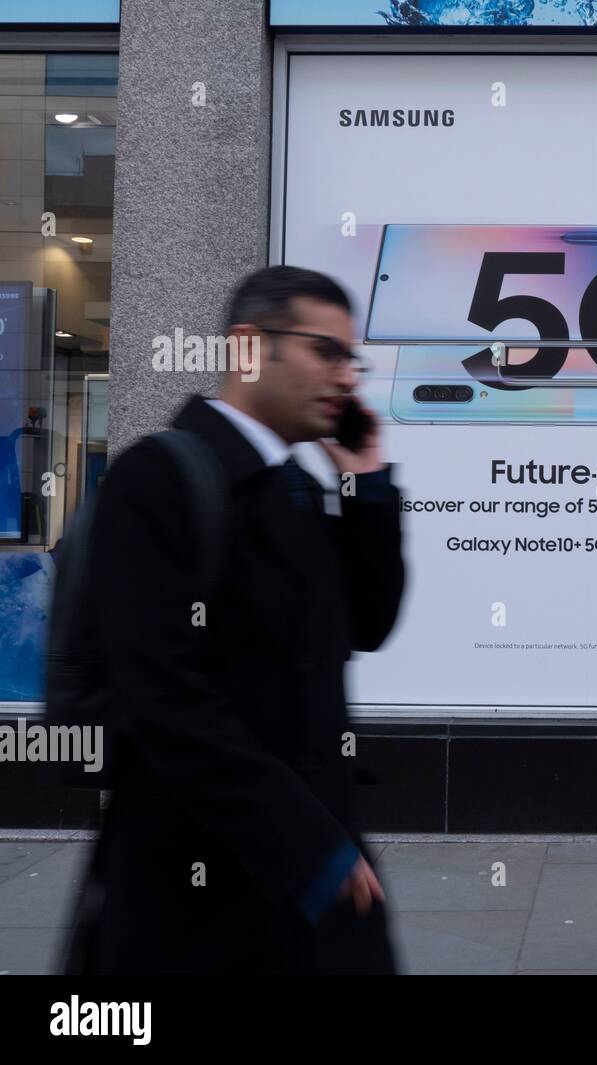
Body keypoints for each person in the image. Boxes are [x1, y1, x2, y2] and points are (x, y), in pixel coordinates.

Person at [62, 266, 405, 973]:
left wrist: (366, 481)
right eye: (327, 351)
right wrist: (305, 841)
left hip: (310, 874)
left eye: (354, 358)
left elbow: (367, 622)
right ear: (249, 348)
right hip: (193, 889)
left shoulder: (301, 489)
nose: (347, 376)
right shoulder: (157, 479)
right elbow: (161, 700)